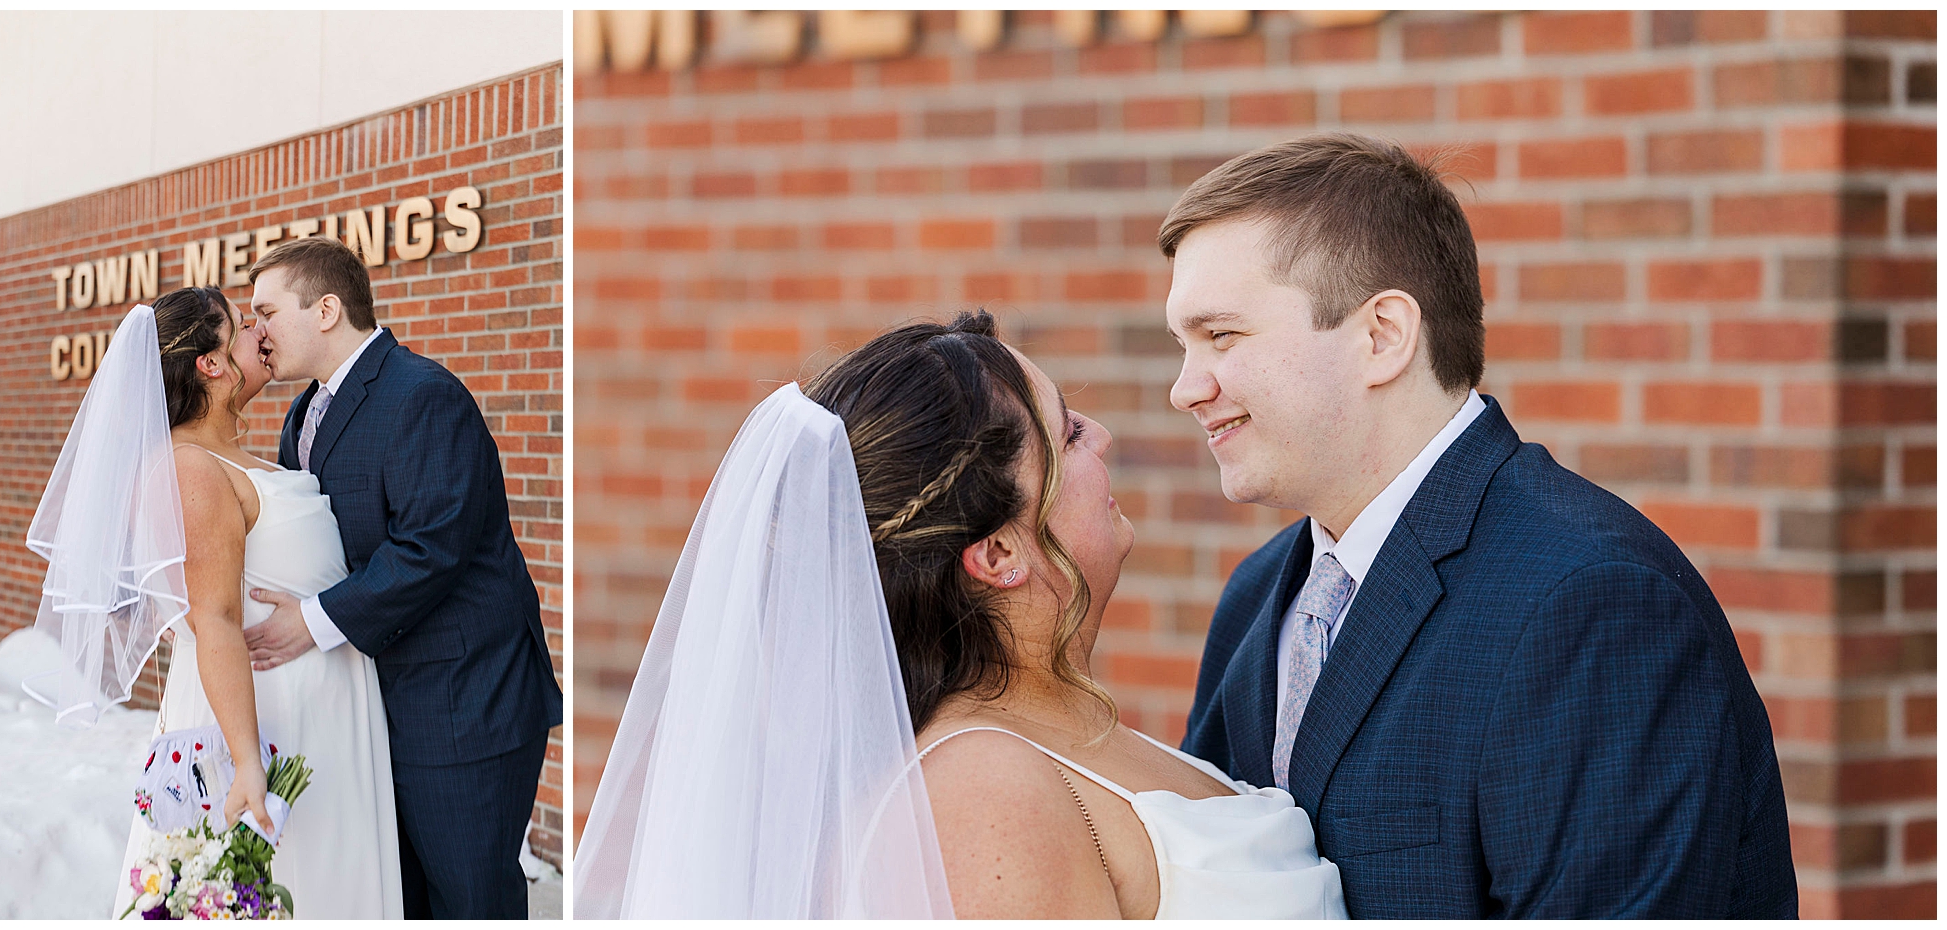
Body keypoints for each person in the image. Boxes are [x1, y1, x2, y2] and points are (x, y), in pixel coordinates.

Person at [1164, 133, 1796, 918]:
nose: (1185, 389)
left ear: (1382, 335)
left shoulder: (1592, 603)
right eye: (1181, 345)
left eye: (1221, 336)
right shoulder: (1259, 597)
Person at [574, 311, 1345, 919]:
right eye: (1070, 434)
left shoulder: (1060, 725)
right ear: (1000, 553)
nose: (1103, 437)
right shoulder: (983, 795)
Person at [25, 290, 402, 918]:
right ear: (210, 363)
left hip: (327, 709)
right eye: (244, 325)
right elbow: (215, 620)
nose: (260, 332)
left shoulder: (241, 456)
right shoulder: (189, 469)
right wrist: (248, 763)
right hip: (271, 721)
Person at [234, 236, 563, 919]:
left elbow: (430, 548)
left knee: (468, 901)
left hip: (462, 702)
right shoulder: (302, 414)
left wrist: (312, 622)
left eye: (267, 311)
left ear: (326, 310)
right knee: (402, 902)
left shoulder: (424, 395)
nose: (257, 330)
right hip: (373, 706)